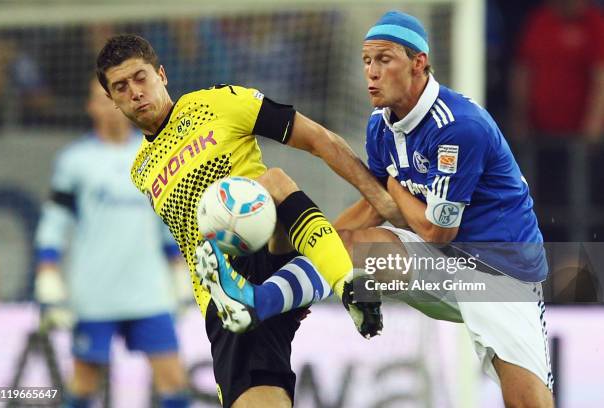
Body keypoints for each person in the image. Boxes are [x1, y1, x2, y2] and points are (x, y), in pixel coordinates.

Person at [95, 34, 399, 408]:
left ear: (162, 74)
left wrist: (380, 197)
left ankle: (346, 284)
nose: (135, 92)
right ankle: (281, 292)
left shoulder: (220, 103)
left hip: (269, 239)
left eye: (140, 78)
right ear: (111, 100)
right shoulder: (140, 170)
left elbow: (318, 139)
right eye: (121, 87)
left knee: (272, 182)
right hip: (220, 292)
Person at [333, 11, 554, 407]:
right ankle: (343, 295)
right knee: (349, 244)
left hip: (501, 272)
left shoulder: (459, 126)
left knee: (528, 404)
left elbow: (438, 230)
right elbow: (375, 207)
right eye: (367, 61)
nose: (372, 72)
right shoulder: (378, 127)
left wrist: (395, 187)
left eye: (384, 60)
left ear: (419, 63)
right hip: (440, 265)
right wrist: (310, 245)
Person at [34, 78, 191, 408]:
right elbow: (55, 220)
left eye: (115, 97)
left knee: (174, 381)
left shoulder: (155, 153)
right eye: (101, 99)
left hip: (148, 292)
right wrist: (47, 271)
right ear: (90, 107)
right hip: (95, 294)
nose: (110, 105)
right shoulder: (75, 161)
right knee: (84, 385)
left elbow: (166, 221)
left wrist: (179, 269)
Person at [510, 0, 604, 142]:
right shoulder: (540, 21)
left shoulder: (594, 23)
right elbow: (523, 71)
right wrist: (519, 116)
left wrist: (594, 123)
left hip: (579, 133)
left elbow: (600, 77)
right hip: (539, 130)